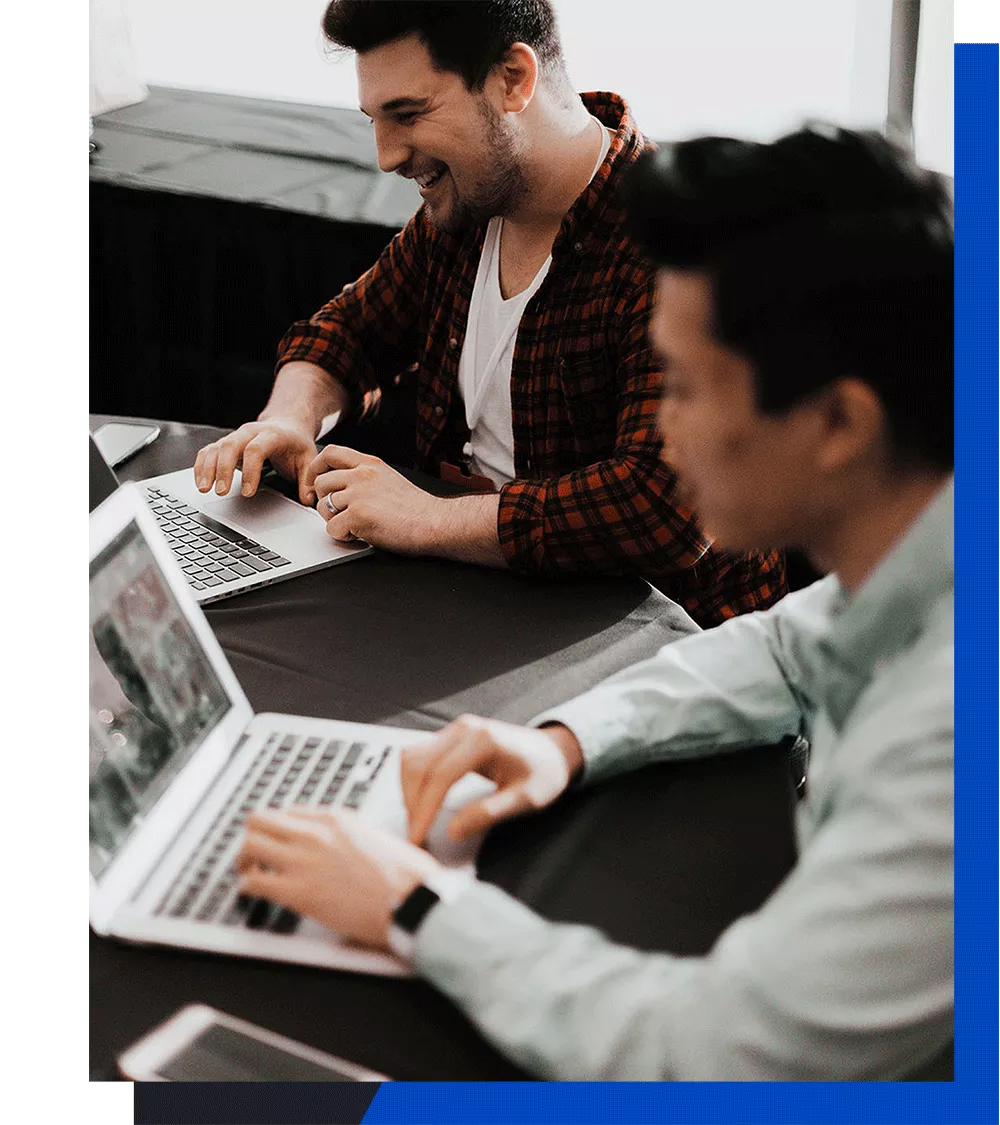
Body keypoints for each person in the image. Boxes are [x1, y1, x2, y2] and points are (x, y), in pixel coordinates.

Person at [235, 122, 954, 1081]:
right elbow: (787, 648)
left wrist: (417, 904)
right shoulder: (922, 557)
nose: (659, 431)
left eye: (685, 387)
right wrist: (564, 740)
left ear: (838, 423)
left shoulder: (947, 750)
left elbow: (712, 1055)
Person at [193, 0, 786, 628]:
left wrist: (427, 517)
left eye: (408, 114)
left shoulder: (682, 248)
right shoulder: (466, 210)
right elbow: (346, 333)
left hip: (661, 644)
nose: (386, 156)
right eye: (374, 120)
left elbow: (664, 506)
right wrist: (290, 418)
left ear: (513, 79)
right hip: (487, 603)